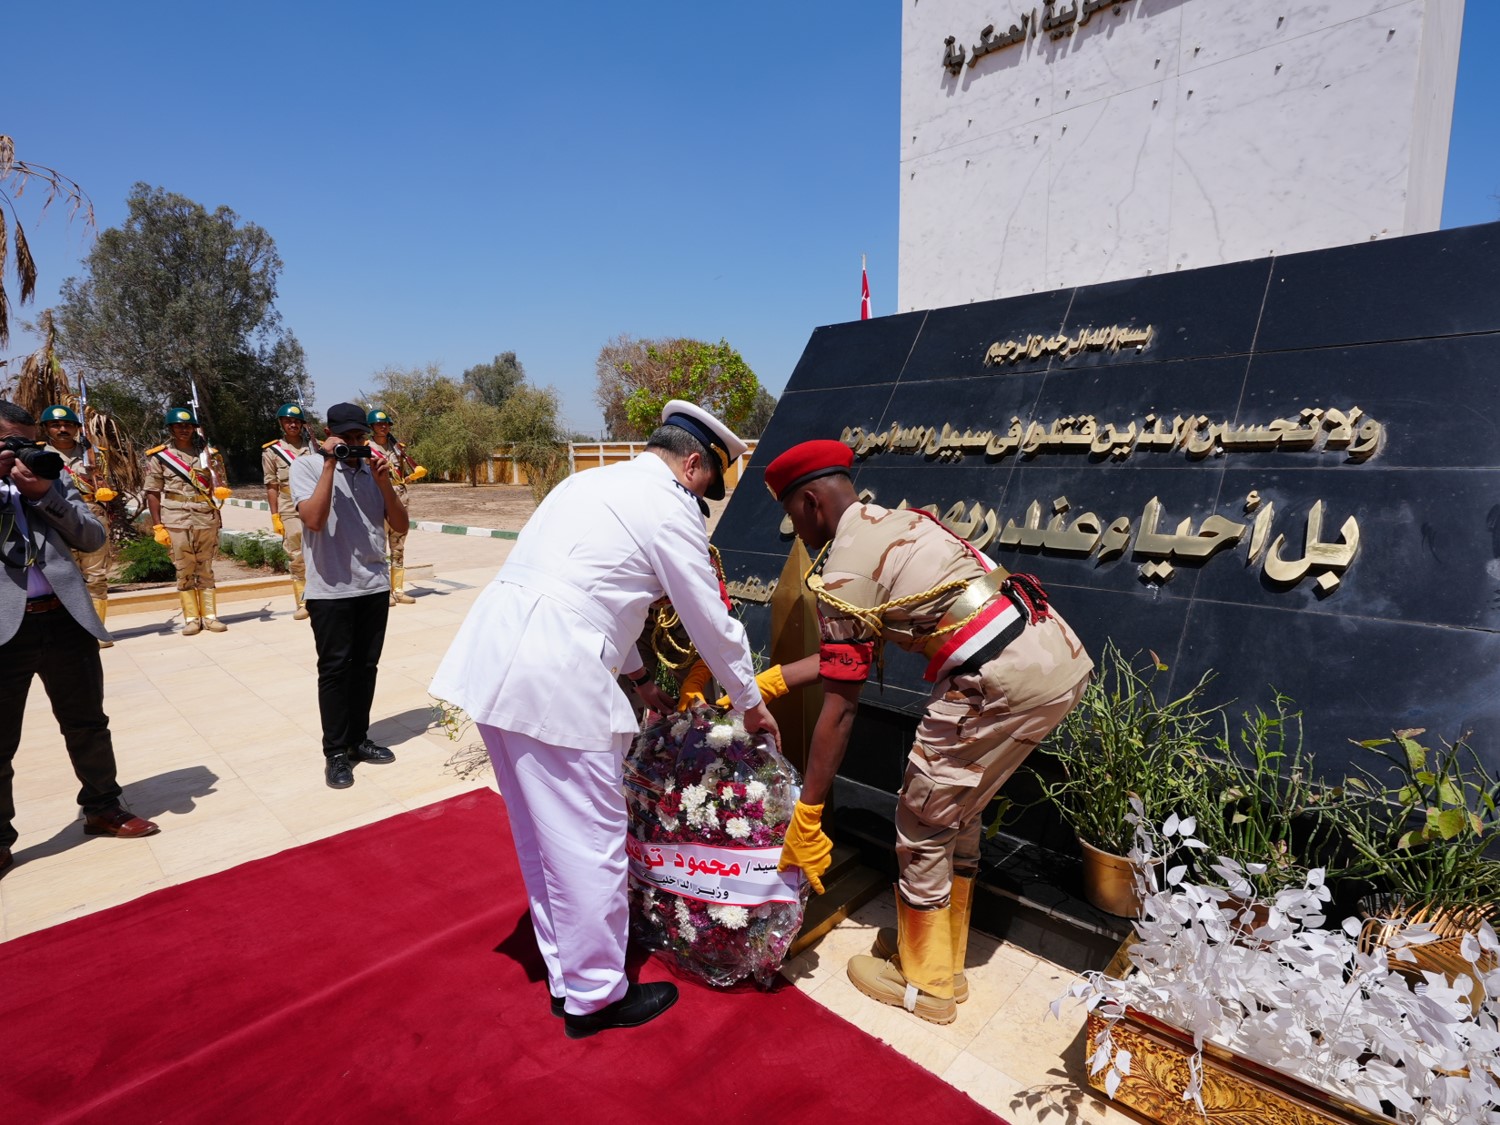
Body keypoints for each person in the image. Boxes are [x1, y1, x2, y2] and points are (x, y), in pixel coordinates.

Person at [430, 400, 780, 1039]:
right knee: (590, 841)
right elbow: (708, 619)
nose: (699, 501)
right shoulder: (668, 506)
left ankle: (568, 976)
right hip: (555, 675)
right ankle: (595, 996)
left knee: (542, 837)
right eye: (704, 487)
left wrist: (642, 681)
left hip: (496, 656)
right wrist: (751, 702)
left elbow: (592, 595)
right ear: (693, 464)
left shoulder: (588, 483)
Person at [763, 439, 1093, 1025]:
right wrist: (778, 680)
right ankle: (941, 952)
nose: (796, 532)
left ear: (811, 502)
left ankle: (927, 984)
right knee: (954, 810)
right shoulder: (898, 522)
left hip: (995, 682)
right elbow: (847, 653)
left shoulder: (843, 567)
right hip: (1055, 661)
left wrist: (808, 810)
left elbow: (841, 708)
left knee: (921, 821)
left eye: (793, 516)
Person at [0, 401, 159, 879]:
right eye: (9, 441)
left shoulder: (48, 474)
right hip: (4, 629)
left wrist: (43, 494)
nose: (21, 451)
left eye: (27, 441)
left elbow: (91, 537)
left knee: (87, 722)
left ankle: (103, 806)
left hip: (63, 617)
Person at [290, 403, 409, 790]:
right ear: (329, 434)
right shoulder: (307, 467)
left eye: (361, 437)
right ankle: (336, 752)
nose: (356, 444)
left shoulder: (374, 469)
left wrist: (384, 483)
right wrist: (330, 463)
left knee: (366, 668)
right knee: (335, 671)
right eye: (348, 438)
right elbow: (313, 520)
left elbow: (401, 525)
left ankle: (358, 739)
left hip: (373, 585)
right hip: (330, 590)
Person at [143, 407, 232, 636]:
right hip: (176, 517)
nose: (184, 429)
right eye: (179, 426)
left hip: (205, 514)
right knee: (184, 567)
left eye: (188, 425)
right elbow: (153, 492)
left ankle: (210, 616)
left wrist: (219, 484)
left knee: (206, 566)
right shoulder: (160, 456)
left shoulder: (209, 454)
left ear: (194, 428)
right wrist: (157, 525)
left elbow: (219, 483)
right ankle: (192, 618)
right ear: (171, 429)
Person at [40, 404, 119, 648]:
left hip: (91, 518)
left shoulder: (95, 455)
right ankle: (72, 633)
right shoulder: (38, 456)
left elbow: (108, 486)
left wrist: (101, 484)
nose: (62, 429)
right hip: (55, 519)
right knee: (63, 577)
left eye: (68, 424)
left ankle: (96, 631)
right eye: (55, 425)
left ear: (77, 428)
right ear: (46, 428)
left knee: (96, 577)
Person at [262, 402, 318, 621]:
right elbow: (271, 485)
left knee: (321, 553)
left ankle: (322, 597)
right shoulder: (272, 451)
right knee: (297, 555)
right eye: (288, 421)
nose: (293, 425)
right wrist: (275, 515)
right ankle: (303, 602)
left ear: (303, 424)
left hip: (315, 503)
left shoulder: (315, 447)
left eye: (296, 421)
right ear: (281, 424)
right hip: (289, 506)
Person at [366, 408, 426, 606]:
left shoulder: (397, 448)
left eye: (386, 424)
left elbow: (401, 472)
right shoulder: (366, 447)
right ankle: (383, 591)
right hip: (377, 499)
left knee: (398, 546)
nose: (383, 427)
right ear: (372, 426)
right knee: (379, 548)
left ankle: (398, 590)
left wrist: (410, 476)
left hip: (399, 498)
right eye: (379, 424)